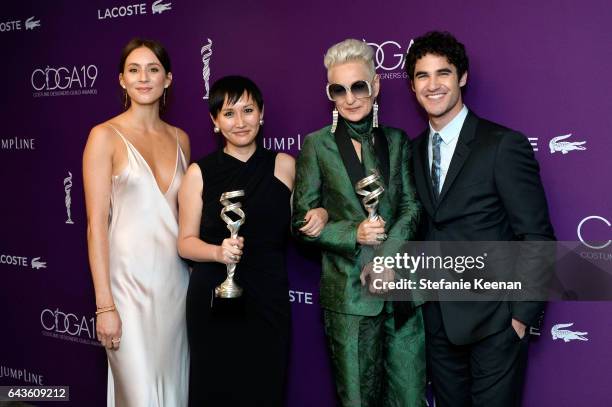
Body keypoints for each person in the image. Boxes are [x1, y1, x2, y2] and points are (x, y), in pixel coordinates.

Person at [406, 31, 555, 407]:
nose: (433, 84)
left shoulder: (502, 145)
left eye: (444, 73)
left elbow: (537, 235)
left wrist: (520, 318)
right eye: (423, 75)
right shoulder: (411, 150)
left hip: (496, 324)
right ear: (412, 85)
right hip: (438, 322)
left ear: (463, 77)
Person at [177, 75, 327, 406]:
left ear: (262, 114)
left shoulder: (285, 165)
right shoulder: (199, 173)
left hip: (269, 294)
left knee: (265, 387)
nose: (240, 122)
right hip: (215, 296)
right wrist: (218, 252)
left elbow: (300, 229)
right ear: (215, 121)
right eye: (228, 113)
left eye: (248, 110)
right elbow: (185, 243)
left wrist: (321, 217)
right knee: (215, 389)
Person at [292, 39, 426, 407]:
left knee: (409, 397)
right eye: (339, 89)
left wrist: (387, 256)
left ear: (376, 85)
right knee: (357, 400)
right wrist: (353, 232)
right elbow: (299, 223)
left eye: (359, 86)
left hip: (401, 294)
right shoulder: (317, 146)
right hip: (349, 296)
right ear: (330, 94)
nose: (350, 98)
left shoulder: (398, 141)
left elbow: (412, 207)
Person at [83, 38, 190, 407]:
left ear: (168, 79)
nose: (144, 78)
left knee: (174, 392)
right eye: (134, 70)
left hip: (176, 287)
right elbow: (96, 225)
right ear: (121, 80)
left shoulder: (181, 140)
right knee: (139, 396)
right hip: (125, 290)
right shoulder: (103, 137)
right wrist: (104, 306)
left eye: (153, 69)